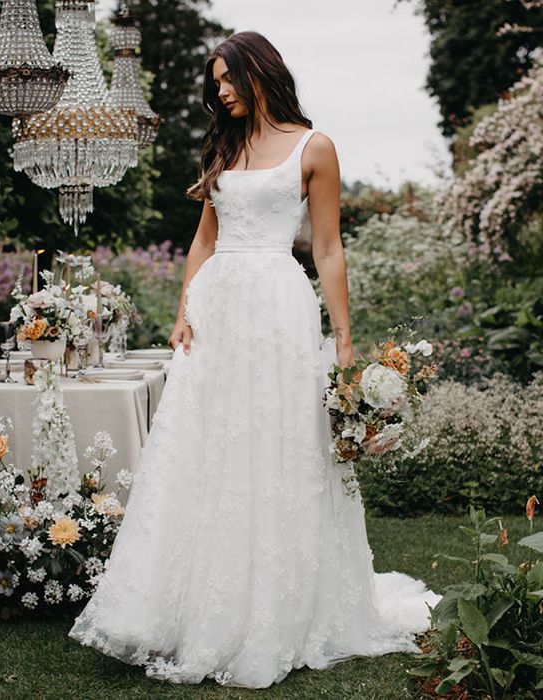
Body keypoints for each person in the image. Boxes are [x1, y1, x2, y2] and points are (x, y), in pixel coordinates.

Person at [68, 31, 441, 689]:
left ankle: (277, 609)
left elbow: (327, 249)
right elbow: (202, 239)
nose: (221, 91)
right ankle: (183, 606)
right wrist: (185, 308)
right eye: (215, 83)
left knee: (279, 449)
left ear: (259, 71)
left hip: (278, 308)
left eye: (227, 79)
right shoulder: (226, 147)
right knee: (205, 452)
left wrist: (345, 341)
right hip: (218, 312)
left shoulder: (313, 146)